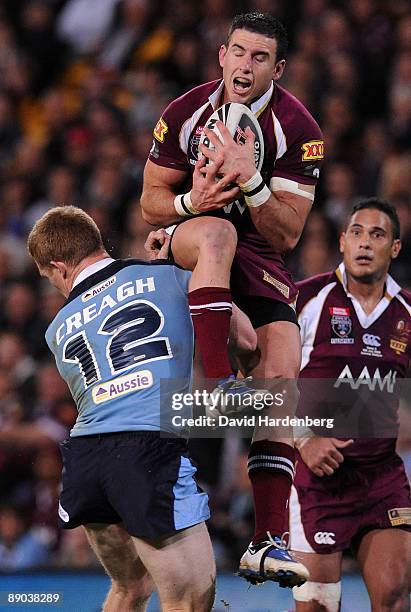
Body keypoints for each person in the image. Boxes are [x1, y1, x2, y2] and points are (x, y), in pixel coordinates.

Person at [141, 11, 323, 585]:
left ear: (279, 67)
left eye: (260, 57)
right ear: (222, 54)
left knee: (283, 373)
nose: (246, 66)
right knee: (217, 233)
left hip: (261, 258)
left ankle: (266, 541)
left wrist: (253, 181)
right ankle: (219, 384)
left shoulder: (300, 129)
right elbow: (149, 199)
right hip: (198, 237)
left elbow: (288, 234)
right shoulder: (184, 113)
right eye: (239, 53)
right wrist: (188, 206)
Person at [27, 205, 216, 612]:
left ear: (58, 267)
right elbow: (240, 334)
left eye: (48, 279)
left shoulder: (56, 329)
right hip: (146, 450)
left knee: (130, 588)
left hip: (86, 459)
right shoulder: (166, 276)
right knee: (189, 599)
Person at [290, 199, 411, 612]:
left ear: (394, 248)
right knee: (318, 606)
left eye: (377, 235)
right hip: (315, 480)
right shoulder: (305, 300)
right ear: (341, 243)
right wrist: (304, 440)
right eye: (356, 232)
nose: (365, 243)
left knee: (395, 593)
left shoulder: (408, 313)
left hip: (381, 476)